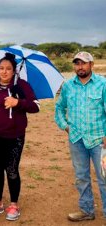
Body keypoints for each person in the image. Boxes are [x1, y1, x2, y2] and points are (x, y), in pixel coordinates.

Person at [0, 53, 40, 221]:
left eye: (8, 69)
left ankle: (14, 204)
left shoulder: (22, 86)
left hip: (15, 137)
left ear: (14, 71)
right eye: (1, 68)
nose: (4, 72)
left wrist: (18, 102)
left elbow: (36, 106)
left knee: (12, 171)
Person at [55, 51, 106, 222]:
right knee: (81, 177)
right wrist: (66, 127)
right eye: (77, 63)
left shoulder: (102, 84)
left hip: (100, 140)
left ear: (91, 65)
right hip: (76, 140)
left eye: (83, 63)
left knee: (104, 178)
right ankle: (86, 210)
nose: (80, 67)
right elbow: (59, 109)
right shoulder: (68, 86)